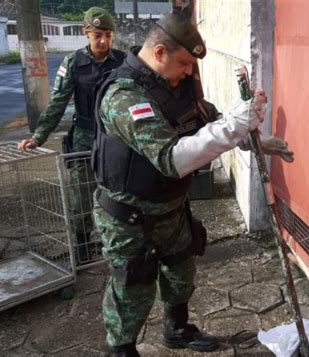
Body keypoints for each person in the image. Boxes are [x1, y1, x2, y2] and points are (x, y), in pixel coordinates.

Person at [92, 13, 292, 357]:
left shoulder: (176, 85)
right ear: (158, 53)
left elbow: (208, 122)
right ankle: (122, 350)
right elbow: (174, 159)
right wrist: (233, 126)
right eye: (183, 62)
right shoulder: (123, 96)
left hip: (172, 209)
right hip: (130, 218)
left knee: (181, 271)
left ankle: (177, 329)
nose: (188, 71)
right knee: (133, 288)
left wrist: (253, 140)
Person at [18, 7, 126, 264]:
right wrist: (39, 135)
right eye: (98, 35)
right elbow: (57, 102)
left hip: (114, 140)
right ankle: (82, 243)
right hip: (84, 138)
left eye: (108, 35)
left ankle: (117, 243)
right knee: (81, 194)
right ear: (85, 33)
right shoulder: (74, 63)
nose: (104, 41)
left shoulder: (122, 61)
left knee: (117, 193)